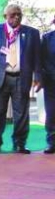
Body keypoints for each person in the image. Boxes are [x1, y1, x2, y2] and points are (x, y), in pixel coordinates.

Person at [0, 4, 42, 154]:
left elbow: (37, 58)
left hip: (21, 78)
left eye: (19, 14)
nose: (16, 17)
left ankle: (20, 143)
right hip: (0, 78)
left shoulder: (32, 33)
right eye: (13, 14)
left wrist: (38, 77)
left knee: (21, 114)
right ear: (5, 16)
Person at [42, 18, 55, 154]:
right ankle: (52, 142)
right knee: (51, 113)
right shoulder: (47, 38)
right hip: (51, 83)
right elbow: (44, 60)